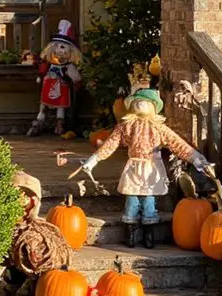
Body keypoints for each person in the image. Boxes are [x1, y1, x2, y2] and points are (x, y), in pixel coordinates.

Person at [61, 88, 209, 249]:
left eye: (144, 102)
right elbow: (111, 144)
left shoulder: (159, 128)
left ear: (153, 107)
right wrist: (94, 160)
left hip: (152, 168)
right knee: (131, 200)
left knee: (149, 201)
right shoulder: (126, 127)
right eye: (137, 102)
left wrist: (196, 158)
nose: (140, 105)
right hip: (134, 166)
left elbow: (177, 144)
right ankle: (130, 233)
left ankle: (148, 235)